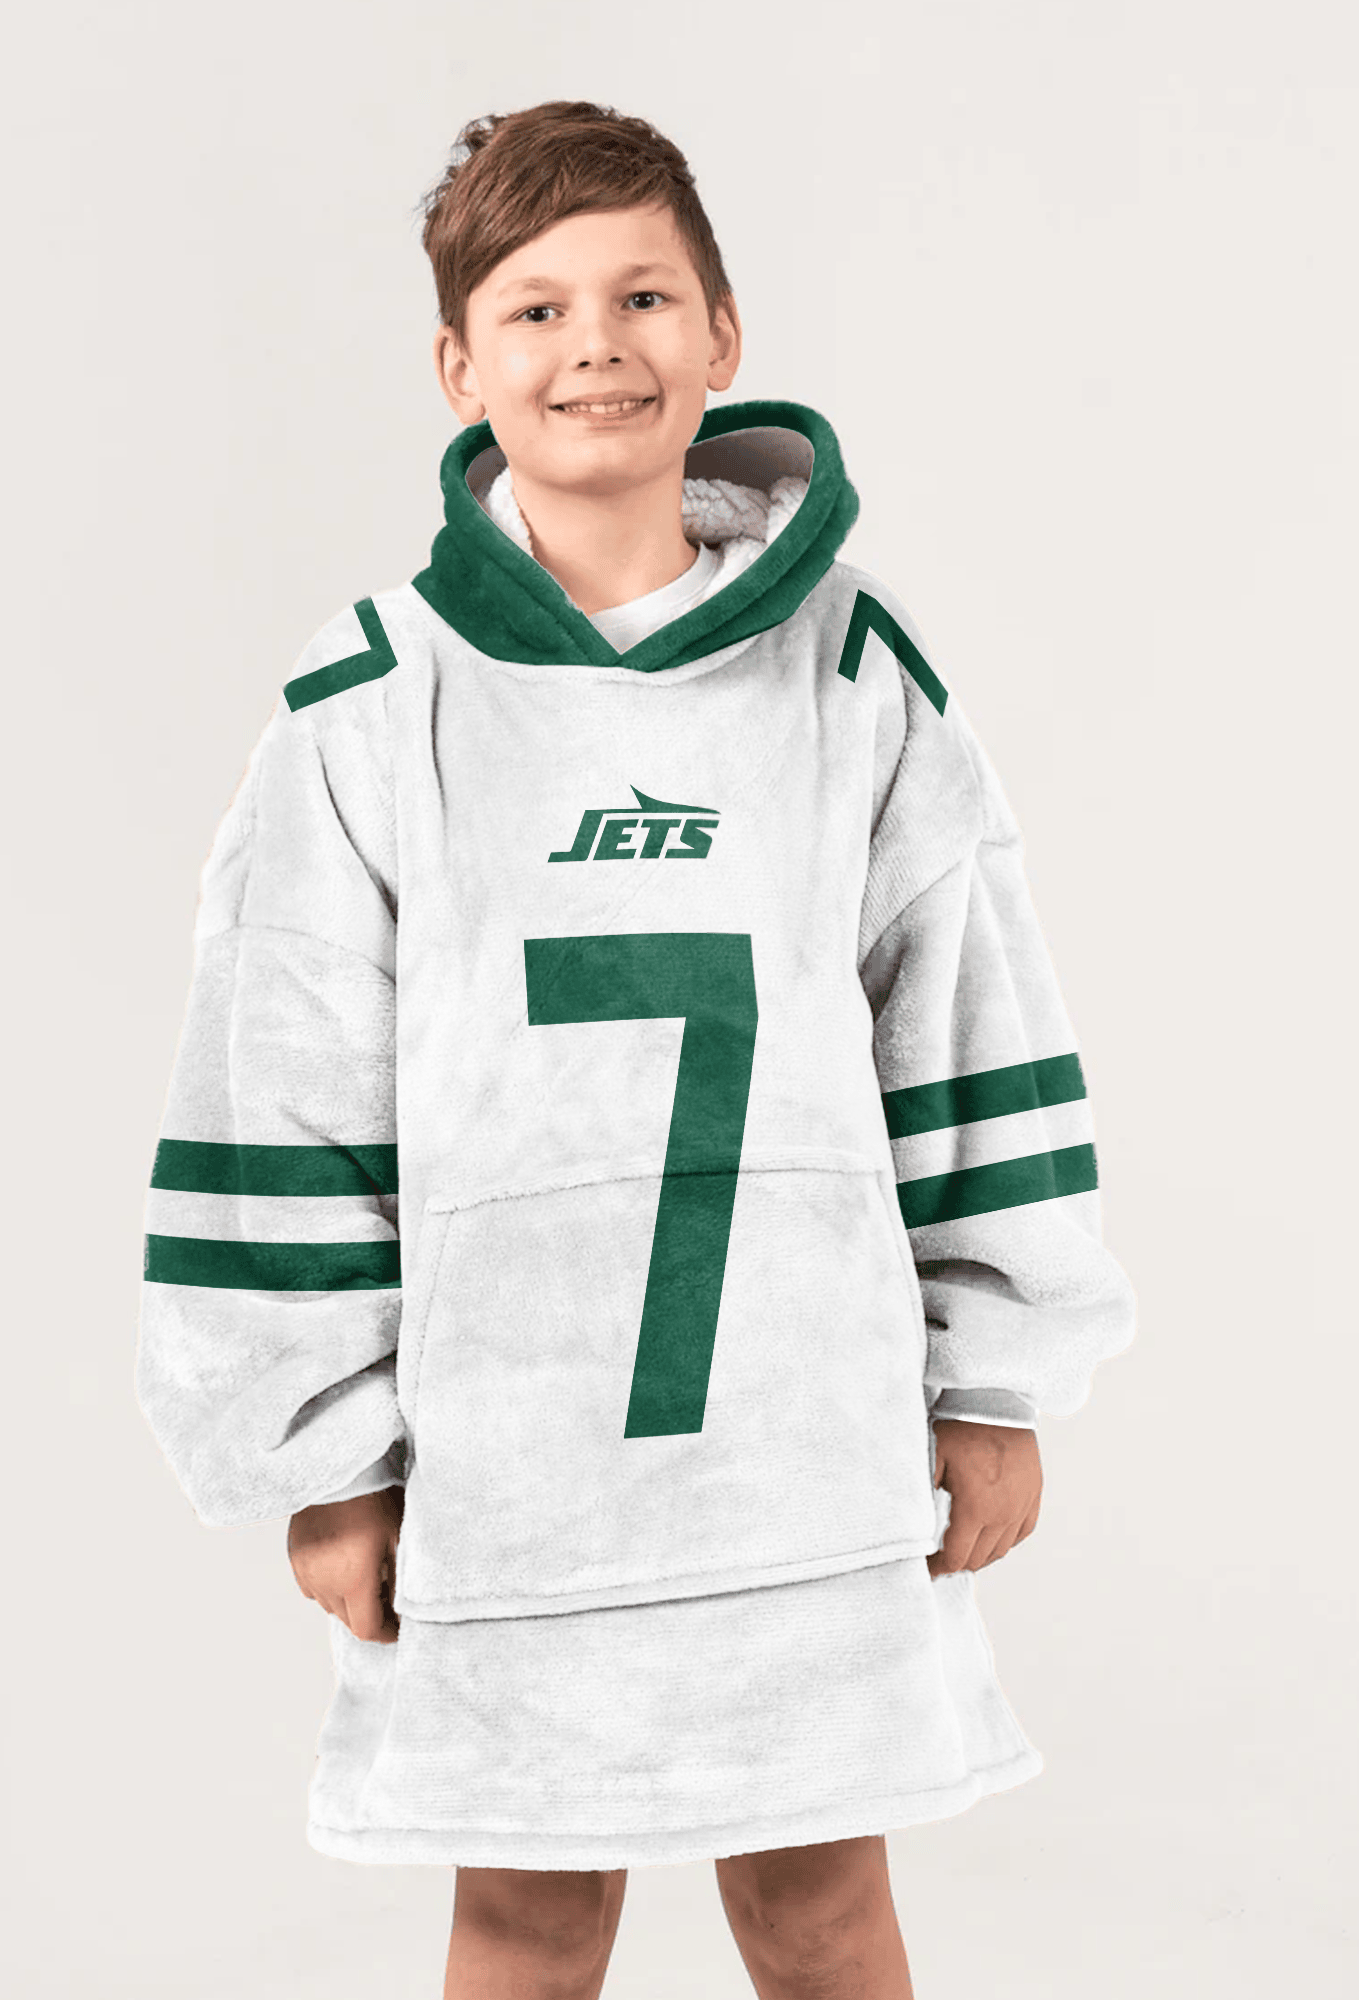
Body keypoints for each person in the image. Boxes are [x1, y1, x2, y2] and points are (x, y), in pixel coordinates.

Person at [136, 99, 1136, 2000]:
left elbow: (966, 1012)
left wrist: (996, 1376)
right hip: (508, 1465)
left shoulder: (853, 674)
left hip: (804, 1440)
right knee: (529, 1915)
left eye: (643, 296)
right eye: (535, 310)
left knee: (819, 1904)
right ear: (459, 368)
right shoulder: (369, 711)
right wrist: (327, 1456)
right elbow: (282, 1084)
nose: (594, 344)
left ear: (724, 333)